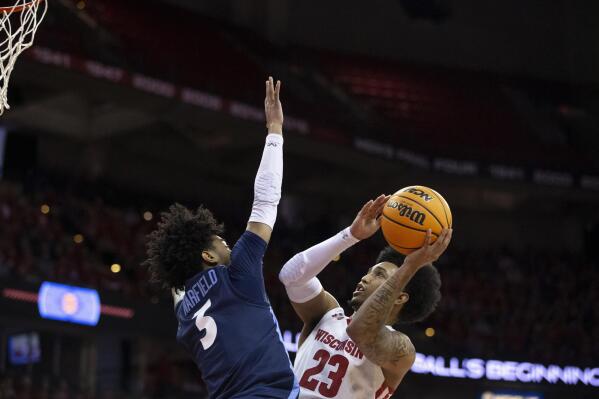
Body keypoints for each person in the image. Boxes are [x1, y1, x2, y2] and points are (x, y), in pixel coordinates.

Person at [144, 77, 299, 399]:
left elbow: (180, 282)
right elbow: (266, 201)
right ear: (208, 256)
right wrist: (274, 130)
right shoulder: (238, 274)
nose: (226, 242)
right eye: (216, 240)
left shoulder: (185, 315)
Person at [279, 195, 452, 398]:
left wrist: (410, 266)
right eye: (369, 271)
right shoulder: (326, 314)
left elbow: (361, 332)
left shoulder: (401, 350)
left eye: (379, 275)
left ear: (399, 297)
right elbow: (291, 276)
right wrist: (350, 236)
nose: (365, 278)